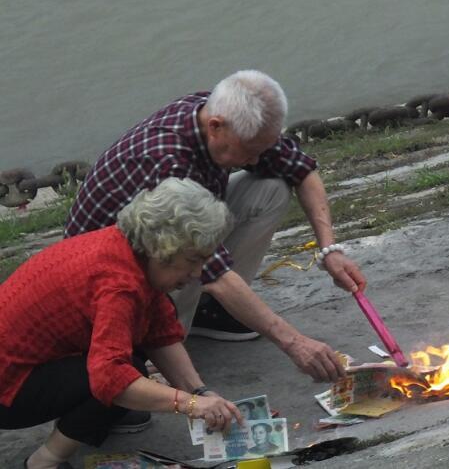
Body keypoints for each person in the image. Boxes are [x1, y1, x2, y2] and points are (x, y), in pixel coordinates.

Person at [65, 70, 365, 387]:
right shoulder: (168, 162)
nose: (257, 158)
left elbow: (302, 170)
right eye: (250, 150)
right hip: (106, 277)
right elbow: (213, 271)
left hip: (173, 241)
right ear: (215, 127)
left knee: (272, 188)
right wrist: (294, 342)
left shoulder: (226, 114)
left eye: (264, 147)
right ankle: (154, 345)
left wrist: (330, 250)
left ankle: (217, 314)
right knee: (188, 258)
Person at [0, 178, 246, 469]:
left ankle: (100, 416)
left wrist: (200, 393)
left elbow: (160, 335)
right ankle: (45, 461)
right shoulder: (119, 284)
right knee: (126, 374)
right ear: (162, 248)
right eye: (192, 259)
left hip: (26, 366)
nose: (198, 272)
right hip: (8, 389)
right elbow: (110, 378)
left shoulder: (130, 250)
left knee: (131, 364)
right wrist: (189, 404)